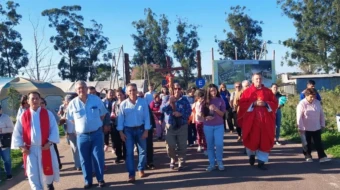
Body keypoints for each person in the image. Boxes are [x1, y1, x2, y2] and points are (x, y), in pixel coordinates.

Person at [11, 92, 60, 190]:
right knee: (32, 174)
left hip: (45, 147)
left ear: (40, 100)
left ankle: (49, 186)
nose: (35, 100)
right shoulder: (23, 116)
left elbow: (54, 129)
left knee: (47, 175)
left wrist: (50, 142)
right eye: (32, 98)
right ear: (28, 101)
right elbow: (17, 132)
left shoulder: (47, 114)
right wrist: (22, 147)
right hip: (31, 150)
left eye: (37, 98)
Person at [66, 80, 109, 189]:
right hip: (82, 136)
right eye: (79, 88)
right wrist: (81, 126)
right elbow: (71, 119)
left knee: (98, 157)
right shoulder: (73, 103)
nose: (81, 90)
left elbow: (103, 114)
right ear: (76, 90)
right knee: (84, 159)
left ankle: (100, 179)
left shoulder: (96, 99)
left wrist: (95, 124)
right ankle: (88, 181)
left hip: (96, 134)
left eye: (83, 87)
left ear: (86, 88)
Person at [237, 73, 278, 170]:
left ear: (262, 80)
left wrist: (266, 103)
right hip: (252, 121)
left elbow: (275, 103)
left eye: (259, 79)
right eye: (256, 79)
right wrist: (253, 103)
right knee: (252, 139)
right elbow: (242, 104)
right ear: (253, 80)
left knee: (265, 140)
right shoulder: (247, 92)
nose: (258, 81)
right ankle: (251, 155)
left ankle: (261, 161)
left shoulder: (268, 92)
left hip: (265, 121)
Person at [117, 83, 151, 183]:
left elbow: (147, 117)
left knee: (143, 151)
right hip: (128, 131)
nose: (132, 92)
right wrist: (121, 133)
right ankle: (131, 174)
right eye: (130, 90)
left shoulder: (143, 102)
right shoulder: (123, 104)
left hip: (141, 129)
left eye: (134, 90)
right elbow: (120, 119)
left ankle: (141, 168)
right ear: (127, 92)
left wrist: (146, 130)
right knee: (129, 153)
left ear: (137, 91)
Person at [160, 84, 191, 171]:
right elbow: (161, 110)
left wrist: (181, 114)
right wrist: (169, 102)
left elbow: (189, 111)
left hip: (182, 125)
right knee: (170, 145)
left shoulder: (184, 100)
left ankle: (181, 161)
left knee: (182, 145)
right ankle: (173, 158)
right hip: (170, 126)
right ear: (171, 90)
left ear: (181, 89)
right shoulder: (166, 98)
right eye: (175, 89)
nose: (177, 90)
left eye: (179, 88)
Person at [297, 88, 331, 163]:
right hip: (306, 128)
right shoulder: (302, 104)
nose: (312, 98)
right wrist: (300, 127)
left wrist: (322, 124)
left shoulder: (317, 102)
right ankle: (308, 156)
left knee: (318, 142)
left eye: (314, 96)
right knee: (307, 143)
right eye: (311, 97)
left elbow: (321, 114)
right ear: (306, 96)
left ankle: (322, 156)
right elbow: (299, 117)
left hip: (316, 126)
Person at [202, 84, 226, 172]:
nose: (213, 92)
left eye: (215, 90)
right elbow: (201, 115)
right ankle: (212, 163)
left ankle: (219, 162)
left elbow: (223, 114)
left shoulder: (220, 100)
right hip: (208, 126)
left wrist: (216, 109)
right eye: (211, 90)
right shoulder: (204, 101)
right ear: (208, 92)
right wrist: (206, 117)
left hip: (219, 126)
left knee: (219, 144)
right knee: (210, 146)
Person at [41, 98, 63, 170]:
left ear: (45, 104)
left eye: (43, 103)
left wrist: (51, 138)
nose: (41, 105)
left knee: (54, 150)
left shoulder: (48, 113)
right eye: (40, 103)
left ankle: (58, 164)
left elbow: (53, 126)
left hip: (49, 137)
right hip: (39, 140)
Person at [62, 95, 81, 170]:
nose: (67, 102)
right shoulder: (65, 109)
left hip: (77, 131)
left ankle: (80, 164)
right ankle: (77, 164)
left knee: (78, 148)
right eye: (66, 101)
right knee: (74, 148)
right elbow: (64, 120)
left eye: (68, 101)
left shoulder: (76, 108)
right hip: (70, 131)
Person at [111, 90, 126, 164]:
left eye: (120, 94)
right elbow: (112, 112)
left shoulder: (127, 102)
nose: (119, 96)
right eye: (118, 95)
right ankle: (119, 156)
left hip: (125, 125)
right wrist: (112, 115)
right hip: (116, 124)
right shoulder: (114, 103)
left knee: (125, 141)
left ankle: (126, 156)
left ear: (124, 95)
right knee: (117, 141)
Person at [0, 105, 14, 181]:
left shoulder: (6, 117)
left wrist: (2, 130)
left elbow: (12, 128)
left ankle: (8, 174)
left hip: (4, 141)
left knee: (6, 159)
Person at [192, 89, 207, 154]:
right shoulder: (195, 104)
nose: (202, 98)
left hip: (204, 121)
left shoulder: (205, 104)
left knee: (204, 135)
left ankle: (205, 148)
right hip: (197, 121)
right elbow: (192, 111)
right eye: (200, 97)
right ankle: (199, 145)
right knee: (199, 134)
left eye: (203, 97)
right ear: (197, 97)